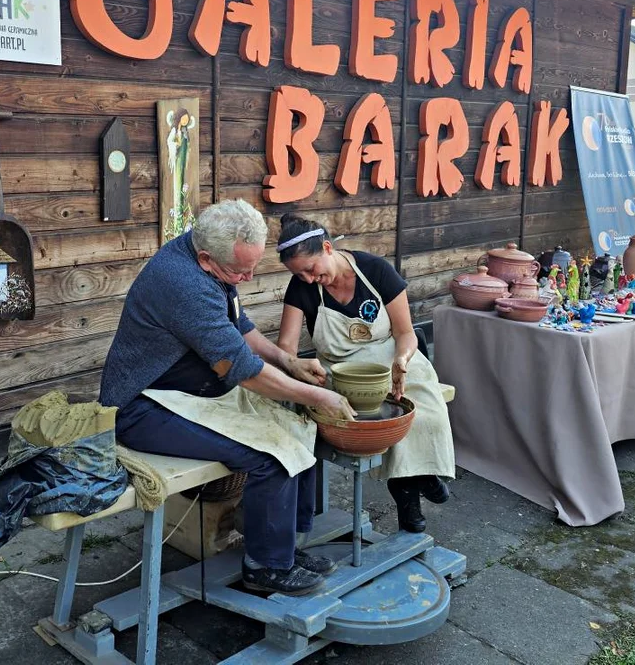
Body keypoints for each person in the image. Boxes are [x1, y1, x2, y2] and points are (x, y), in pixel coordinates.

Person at [99, 199, 356, 596]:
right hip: (144, 405)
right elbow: (242, 371)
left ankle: (283, 545)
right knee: (271, 455)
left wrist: (287, 360)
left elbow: (239, 327)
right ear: (205, 259)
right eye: (240, 271)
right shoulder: (182, 284)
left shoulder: (209, 258)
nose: (249, 277)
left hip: (190, 389)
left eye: (252, 266)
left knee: (297, 426)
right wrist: (321, 397)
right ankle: (265, 568)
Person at [275, 213, 456, 533]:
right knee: (377, 418)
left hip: (390, 358)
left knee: (422, 405)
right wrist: (295, 366)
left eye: (309, 269)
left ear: (327, 248)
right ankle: (409, 495)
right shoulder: (301, 287)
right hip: (338, 368)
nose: (305, 278)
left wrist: (402, 359)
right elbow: (286, 346)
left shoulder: (376, 271)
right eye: (298, 274)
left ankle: (420, 480)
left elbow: (406, 333)